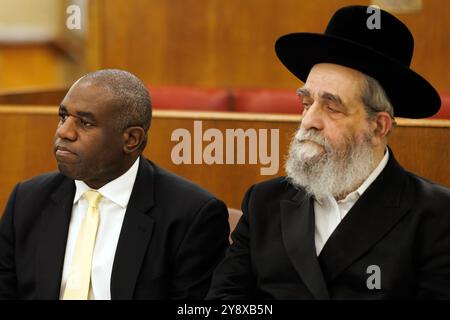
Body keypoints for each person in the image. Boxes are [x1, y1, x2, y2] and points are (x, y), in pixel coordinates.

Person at [207, 5, 450, 299]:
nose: (309, 121)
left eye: (331, 107)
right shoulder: (264, 203)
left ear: (378, 126)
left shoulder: (436, 216)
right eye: (306, 103)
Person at [0, 69, 230, 300]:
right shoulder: (27, 200)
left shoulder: (190, 216)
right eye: (63, 117)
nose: (64, 131)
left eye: (85, 123)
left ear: (131, 140)